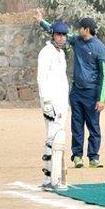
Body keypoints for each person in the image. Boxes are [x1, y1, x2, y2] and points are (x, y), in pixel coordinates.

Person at [36, 11, 105, 168]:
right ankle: (77, 157)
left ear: (86, 29)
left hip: (91, 93)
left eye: (80, 28)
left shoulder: (100, 48)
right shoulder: (77, 41)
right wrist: (42, 21)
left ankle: (94, 157)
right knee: (77, 125)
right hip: (76, 93)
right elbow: (57, 33)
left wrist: (101, 98)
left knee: (93, 126)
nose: (77, 31)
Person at [37, 20, 70, 190]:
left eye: (64, 35)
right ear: (52, 35)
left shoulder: (61, 53)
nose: (62, 38)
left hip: (62, 101)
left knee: (58, 136)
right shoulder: (46, 52)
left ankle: (54, 177)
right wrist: (46, 101)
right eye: (59, 34)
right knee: (52, 137)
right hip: (51, 102)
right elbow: (41, 78)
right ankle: (49, 179)